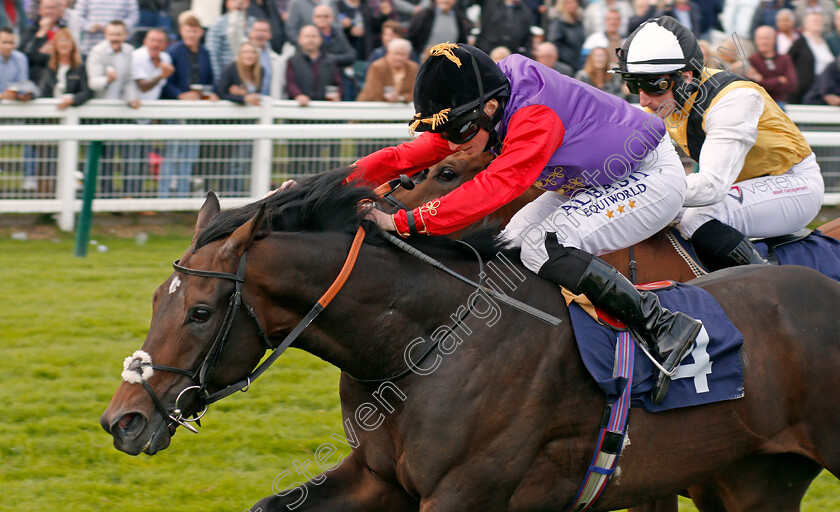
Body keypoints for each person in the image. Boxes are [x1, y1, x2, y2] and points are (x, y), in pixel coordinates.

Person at [355, 42, 701, 404]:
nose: (454, 144)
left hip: (648, 174)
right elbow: (405, 156)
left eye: (461, 131)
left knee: (543, 245)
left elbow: (494, 189)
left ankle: (664, 326)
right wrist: (325, 186)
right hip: (597, 178)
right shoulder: (486, 106)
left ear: (489, 109)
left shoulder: (534, 115)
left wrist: (405, 222)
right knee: (513, 244)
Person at [614, 16, 823, 271]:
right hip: (744, 185)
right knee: (661, 215)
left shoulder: (734, 99)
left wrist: (636, 192)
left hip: (794, 184)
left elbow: (712, 186)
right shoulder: (667, 99)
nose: (644, 100)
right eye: (635, 86)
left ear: (686, 77)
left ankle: (770, 284)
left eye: (652, 86)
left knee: (697, 217)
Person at [161, 14, 217, 198]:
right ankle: (163, 196)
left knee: (190, 154)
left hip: (196, 110)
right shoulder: (173, 51)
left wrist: (209, 93)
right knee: (172, 153)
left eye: (194, 31)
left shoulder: (205, 53)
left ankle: (182, 197)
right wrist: (179, 95)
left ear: (200, 32)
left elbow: (209, 79)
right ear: (181, 31)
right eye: (188, 30)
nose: (191, 34)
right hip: (176, 109)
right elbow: (165, 82)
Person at [86, 19, 138, 197]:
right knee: (105, 159)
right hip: (100, 112)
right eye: (112, 34)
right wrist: (107, 80)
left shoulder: (129, 51)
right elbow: (93, 83)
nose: (115, 37)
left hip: (122, 111)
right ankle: (105, 197)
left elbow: (129, 79)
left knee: (127, 155)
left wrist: (131, 98)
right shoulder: (97, 52)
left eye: (119, 34)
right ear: (106, 35)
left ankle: (126, 197)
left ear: (125, 35)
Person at [788, 11, 835, 104]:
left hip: (826, 90)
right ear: (805, 24)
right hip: (806, 93)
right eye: (814, 20)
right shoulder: (799, 43)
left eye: (819, 20)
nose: (817, 22)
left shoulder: (827, 43)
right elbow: (788, 62)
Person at [747, 25, 798, 108]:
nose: (764, 42)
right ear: (755, 40)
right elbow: (754, 87)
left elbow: (792, 85)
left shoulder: (785, 59)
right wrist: (778, 80)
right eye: (761, 38)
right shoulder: (751, 60)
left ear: (774, 39)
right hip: (758, 104)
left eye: (767, 38)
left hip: (779, 104)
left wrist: (763, 81)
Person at [206, 0, 256, 83]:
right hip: (227, 77)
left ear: (248, 3)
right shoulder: (218, 24)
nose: (239, 2)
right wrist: (220, 79)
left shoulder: (254, 23)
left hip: (250, 77)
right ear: (227, 3)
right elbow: (213, 54)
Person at [406, 0, 471, 56]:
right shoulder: (424, 15)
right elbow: (411, 37)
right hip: (424, 59)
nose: (446, 1)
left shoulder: (458, 18)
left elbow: (463, 40)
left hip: (450, 60)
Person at [73, 0, 139, 55]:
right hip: (91, 47)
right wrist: (89, 26)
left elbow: (134, 16)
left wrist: (117, 28)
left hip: (119, 50)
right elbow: (77, 16)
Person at [249, 17, 287, 98]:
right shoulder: (241, 53)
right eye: (257, 30)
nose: (260, 34)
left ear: (270, 35)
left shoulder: (277, 59)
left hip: (269, 104)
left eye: (264, 31)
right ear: (250, 33)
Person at [547, 0, 585, 72]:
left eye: (574, 2)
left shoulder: (579, 21)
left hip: (578, 60)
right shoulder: (557, 23)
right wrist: (570, 57)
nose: (572, 5)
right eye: (568, 3)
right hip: (564, 62)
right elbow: (554, 43)